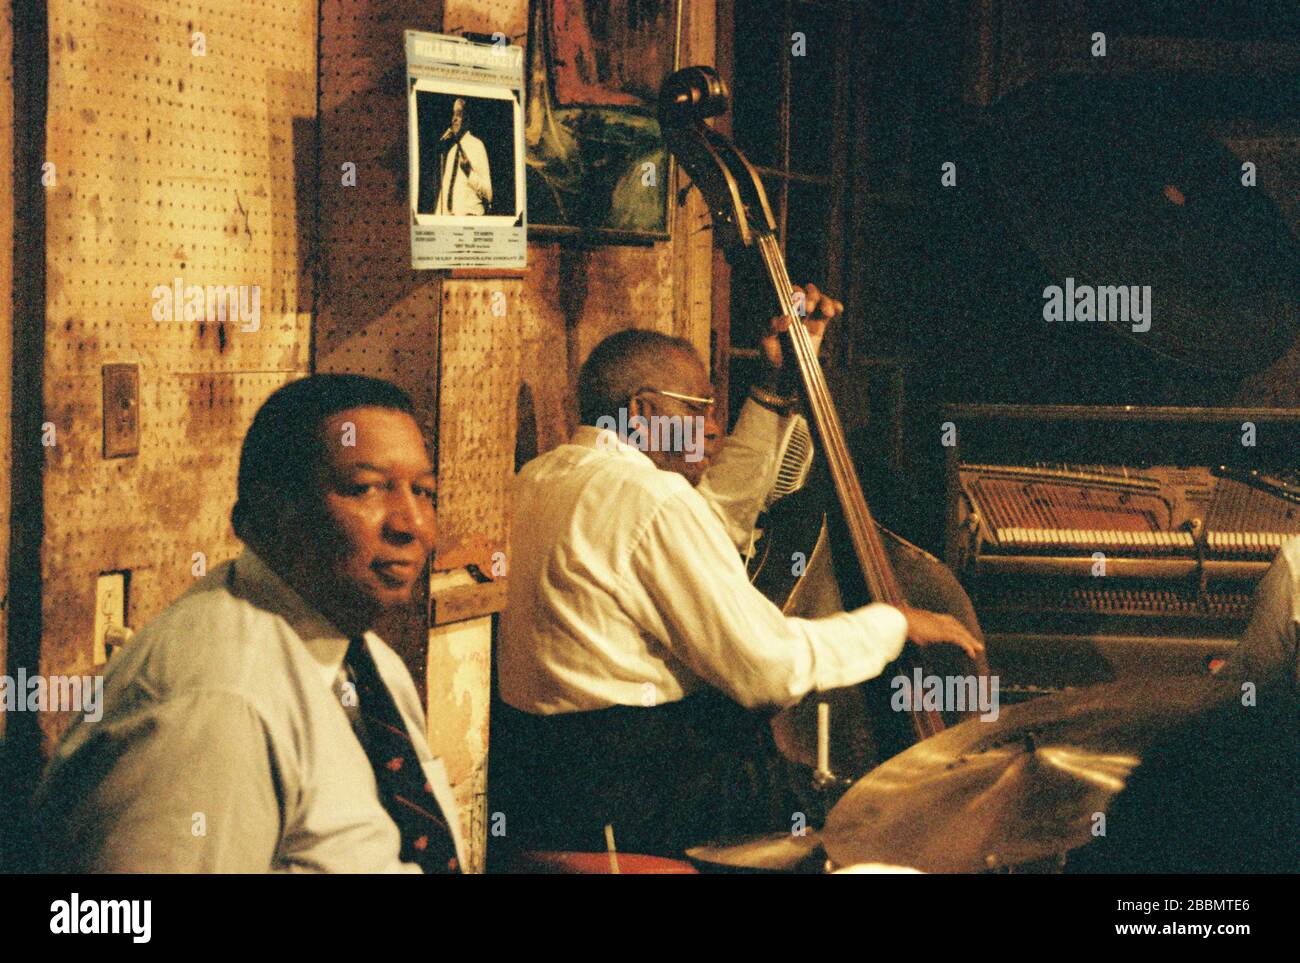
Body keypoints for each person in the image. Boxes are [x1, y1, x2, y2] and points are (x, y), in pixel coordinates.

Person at [492, 285, 983, 857]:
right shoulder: (647, 496)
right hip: (646, 792)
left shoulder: (542, 478)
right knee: (880, 816)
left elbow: (712, 522)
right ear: (644, 411)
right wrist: (889, 625)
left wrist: (774, 391)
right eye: (696, 407)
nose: (712, 422)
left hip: (550, 783)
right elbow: (767, 671)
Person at [35, 374, 466, 873]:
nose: (409, 523)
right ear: (266, 513)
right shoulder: (218, 700)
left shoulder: (369, 666)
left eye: (424, 491)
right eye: (364, 488)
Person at [433, 97, 492, 216]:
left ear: (467, 119)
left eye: (459, 114)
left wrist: (469, 172)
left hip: (470, 219)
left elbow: (488, 194)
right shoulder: (451, 152)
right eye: (453, 114)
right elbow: (444, 191)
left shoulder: (477, 146)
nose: (454, 119)